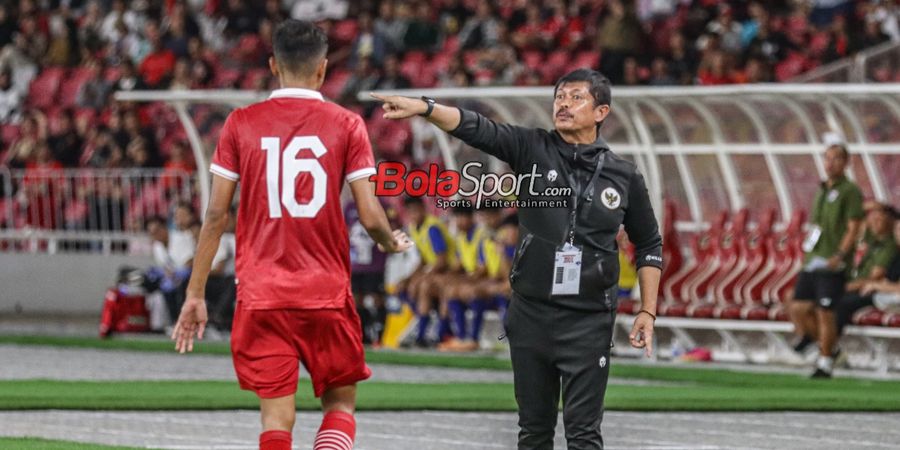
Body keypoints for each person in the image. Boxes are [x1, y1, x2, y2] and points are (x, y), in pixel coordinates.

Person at [372, 68, 662, 449]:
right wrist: (425, 108)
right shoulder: (532, 148)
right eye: (560, 95)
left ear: (601, 112)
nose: (563, 103)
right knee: (534, 432)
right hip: (531, 314)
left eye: (576, 97)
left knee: (584, 434)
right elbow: (476, 127)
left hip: (589, 318)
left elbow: (649, 245)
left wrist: (648, 311)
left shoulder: (624, 176)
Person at [171, 20, 411, 450]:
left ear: (272, 66)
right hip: (325, 293)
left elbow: (214, 216)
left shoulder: (240, 123)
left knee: (276, 421)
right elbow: (372, 215)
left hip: (261, 294)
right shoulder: (347, 124)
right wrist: (389, 241)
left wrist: (195, 294)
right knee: (340, 407)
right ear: (322, 70)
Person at [789, 140, 864, 378]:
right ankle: (827, 347)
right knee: (798, 306)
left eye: (836, 159)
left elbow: (854, 227)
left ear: (846, 162)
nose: (830, 163)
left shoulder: (850, 190)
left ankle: (824, 363)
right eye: (827, 158)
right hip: (814, 259)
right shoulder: (822, 189)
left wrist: (840, 255)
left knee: (825, 312)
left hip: (833, 263)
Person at [834, 204, 898, 338]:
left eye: (879, 219)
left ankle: (830, 344)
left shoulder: (889, 247)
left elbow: (884, 281)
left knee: (842, 302)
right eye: (897, 230)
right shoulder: (880, 245)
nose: (898, 233)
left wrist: (876, 285)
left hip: (887, 295)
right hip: (884, 293)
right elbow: (861, 222)